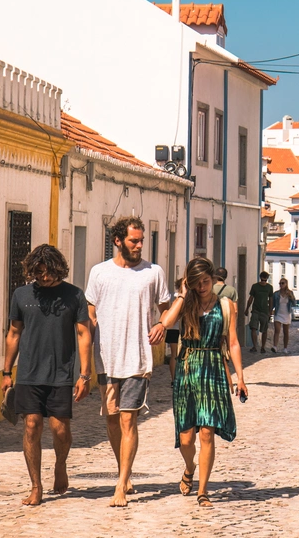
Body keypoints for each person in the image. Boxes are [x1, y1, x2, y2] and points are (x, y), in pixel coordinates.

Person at [85, 216, 171, 507]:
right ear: (118, 241)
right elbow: (91, 311)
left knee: (127, 418)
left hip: (137, 358)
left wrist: (161, 324)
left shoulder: (153, 272)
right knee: (111, 420)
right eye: (134, 240)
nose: (139, 245)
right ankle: (125, 470)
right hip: (106, 358)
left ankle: (120, 484)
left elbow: (166, 307)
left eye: (141, 240)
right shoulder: (99, 273)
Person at [2, 244, 92, 506]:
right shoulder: (21, 294)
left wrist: (85, 375)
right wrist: (7, 371)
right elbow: (14, 333)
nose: (44, 277)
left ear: (59, 269)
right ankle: (36, 486)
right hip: (29, 373)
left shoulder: (74, 295)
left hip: (61, 372)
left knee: (60, 429)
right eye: (39, 272)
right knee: (31, 426)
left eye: (49, 272)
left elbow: (84, 334)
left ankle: (60, 464)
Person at [160, 257, 248, 508]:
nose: (202, 287)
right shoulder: (186, 303)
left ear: (213, 279)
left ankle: (203, 491)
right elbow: (166, 323)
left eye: (206, 281)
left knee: (207, 433)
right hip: (188, 369)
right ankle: (190, 467)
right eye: (196, 283)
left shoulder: (225, 305)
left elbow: (232, 343)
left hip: (213, 369)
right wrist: (182, 294)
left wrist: (240, 377)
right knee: (186, 438)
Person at [244, 271, 273, 353]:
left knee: (260, 329)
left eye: (264, 280)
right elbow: (270, 300)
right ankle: (258, 347)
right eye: (263, 280)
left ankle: (258, 346)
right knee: (258, 329)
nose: (264, 281)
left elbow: (270, 299)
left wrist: (247, 309)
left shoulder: (267, 287)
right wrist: (270, 311)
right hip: (259, 311)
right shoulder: (259, 287)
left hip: (261, 311)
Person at [270, 278, 297, 353]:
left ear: (286, 284)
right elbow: (273, 303)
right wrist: (270, 311)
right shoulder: (276, 294)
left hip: (286, 313)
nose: (281, 285)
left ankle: (285, 348)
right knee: (277, 330)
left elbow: (294, 303)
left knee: (286, 332)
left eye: (282, 283)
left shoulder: (290, 293)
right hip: (278, 313)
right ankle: (275, 346)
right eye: (280, 283)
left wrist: (290, 296)